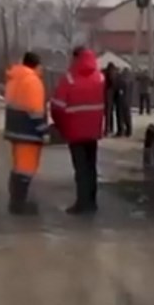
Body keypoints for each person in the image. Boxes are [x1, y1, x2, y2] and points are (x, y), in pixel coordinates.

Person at [51, 46, 106, 215]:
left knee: (81, 168)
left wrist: (60, 125)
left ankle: (82, 204)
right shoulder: (100, 77)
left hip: (75, 131)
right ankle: (92, 202)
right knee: (91, 167)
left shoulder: (69, 79)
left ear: (75, 58)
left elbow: (57, 106)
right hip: (93, 131)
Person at [3, 51, 49, 215]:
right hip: (28, 132)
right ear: (37, 65)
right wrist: (44, 131)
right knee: (26, 169)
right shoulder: (33, 82)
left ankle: (15, 200)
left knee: (18, 167)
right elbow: (35, 111)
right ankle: (19, 204)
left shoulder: (14, 79)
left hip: (15, 131)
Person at [114, 66, 133, 137]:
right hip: (128, 100)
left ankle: (120, 131)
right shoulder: (130, 80)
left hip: (121, 100)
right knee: (127, 116)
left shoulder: (120, 80)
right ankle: (129, 130)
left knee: (120, 116)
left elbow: (117, 89)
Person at [102, 62, 118, 136]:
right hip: (111, 94)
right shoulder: (113, 73)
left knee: (107, 113)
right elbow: (113, 82)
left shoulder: (105, 73)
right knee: (110, 113)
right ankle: (110, 128)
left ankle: (107, 129)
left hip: (107, 94)